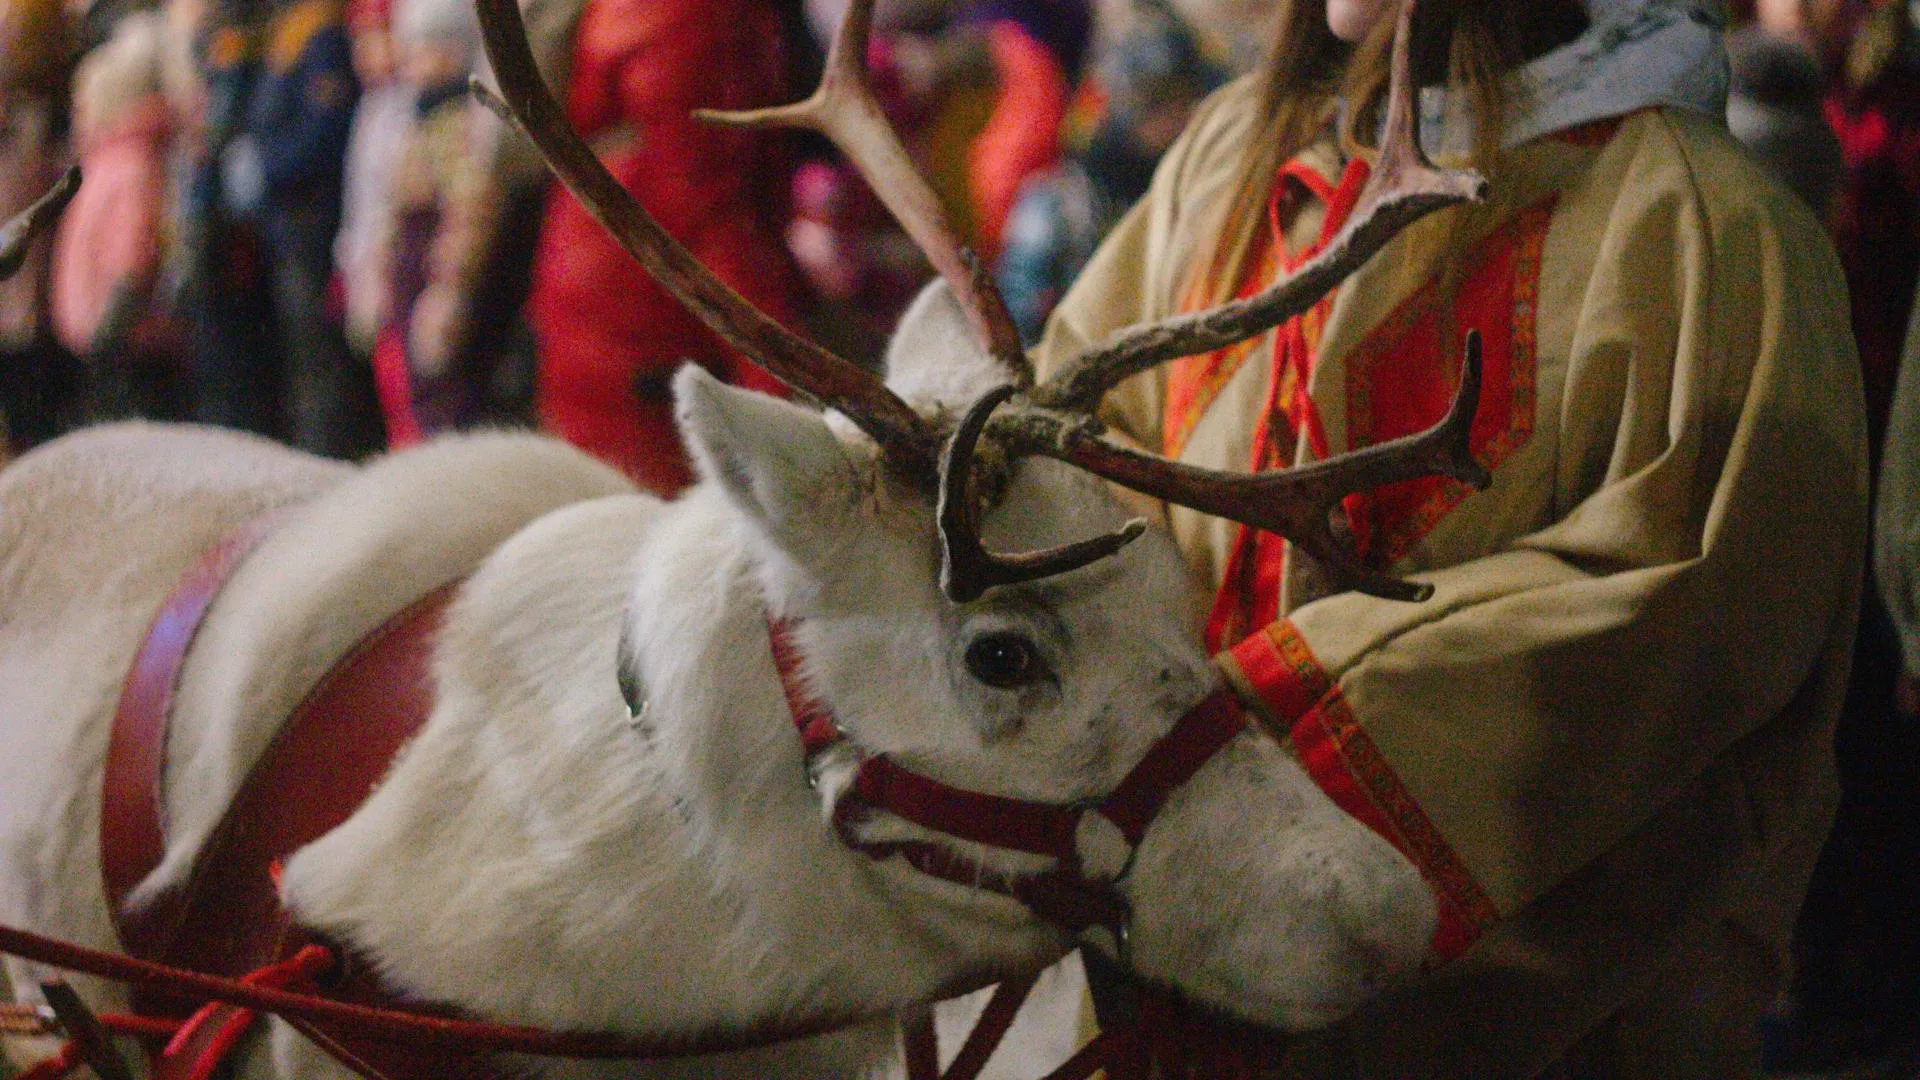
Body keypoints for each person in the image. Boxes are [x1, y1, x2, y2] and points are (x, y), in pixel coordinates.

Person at [1029, 0, 1868, 1074]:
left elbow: (1675, 630)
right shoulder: (1240, 147)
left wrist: (1210, 783)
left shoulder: (1700, 231)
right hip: (1150, 986)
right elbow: (1082, 438)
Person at [523, 0, 801, 491]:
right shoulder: (687, 12)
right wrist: (779, 364)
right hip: (647, 307)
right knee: (646, 525)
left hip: (601, 273)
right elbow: (701, 194)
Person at [52, 11, 188, 421]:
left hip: (124, 327)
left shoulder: (131, 163)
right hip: (104, 323)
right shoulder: (104, 160)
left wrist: (118, 310)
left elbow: (135, 248)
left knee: (131, 417)